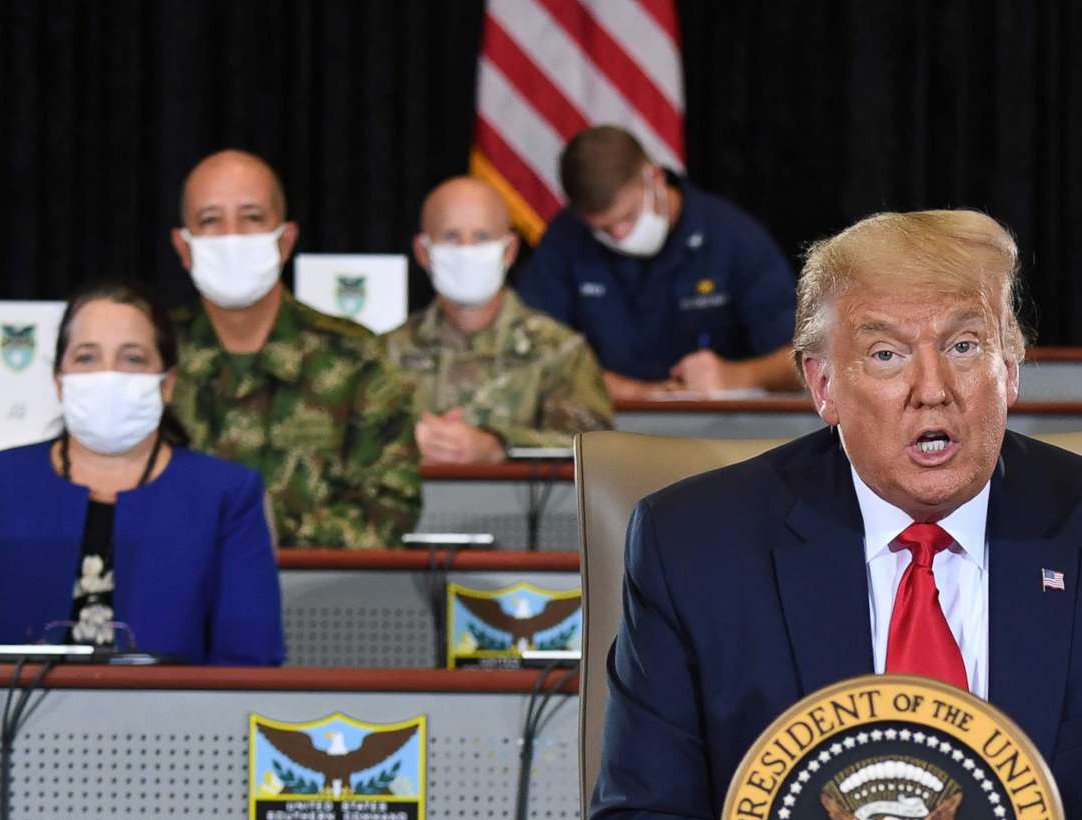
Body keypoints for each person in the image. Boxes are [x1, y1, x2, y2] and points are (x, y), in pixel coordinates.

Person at [588, 209, 1082, 820]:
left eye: (965, 346)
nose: (933, 388)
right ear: (822, 385)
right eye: (887, 354)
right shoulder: (696, 545)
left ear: (1010, 370)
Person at [0, 281, 285, 665]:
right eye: (86, 358)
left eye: (132, 359)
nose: (108, 375)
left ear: (167, 383)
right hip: (7, 721)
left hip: (177, 722)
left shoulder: (227, 495)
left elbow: (249, 660)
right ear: (59, 381)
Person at [166, 149, 419, 548]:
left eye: (251, 218)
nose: (232, 237)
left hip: (317, 600)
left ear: (284, 241)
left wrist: (267, 530)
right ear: (184, 247)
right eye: (211, 221)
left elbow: (391, 507)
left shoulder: (353, 358)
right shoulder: (153, 357)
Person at [513, 126, 798, 395]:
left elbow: (804, 356)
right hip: (605, 423)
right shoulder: (566, 237)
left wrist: (738, 376)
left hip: (718, 428)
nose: (620, 236)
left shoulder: (733, 236)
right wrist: (636, 393)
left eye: (628, 217)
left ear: (655, 179)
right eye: (603, 229)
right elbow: (531, 351)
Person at [384, 174, 614, 463]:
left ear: (509, 250)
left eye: (481, 237)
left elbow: (594, 448)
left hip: (523, 509)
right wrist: (404, 442)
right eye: (451, 237)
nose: (466, 250)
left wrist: (498, 446)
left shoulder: (560, 351)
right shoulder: (387, 352)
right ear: (423, 251)